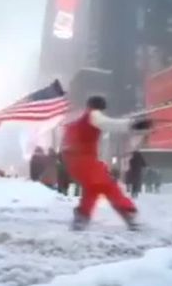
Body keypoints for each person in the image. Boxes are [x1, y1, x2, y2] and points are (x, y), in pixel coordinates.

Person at [62, 95, 152, 231]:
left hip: (77, 160)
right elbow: (109, 124)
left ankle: (82, 216)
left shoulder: (80, 121)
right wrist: (133, 125)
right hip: (84, 160)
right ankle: (128, 212)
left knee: (94, 187)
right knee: (107, 185)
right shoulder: (93, 115)